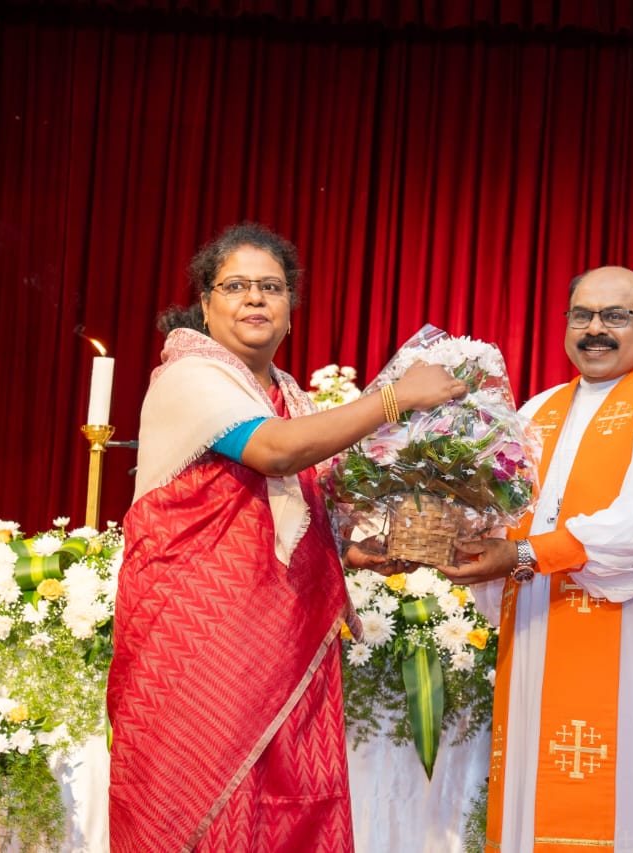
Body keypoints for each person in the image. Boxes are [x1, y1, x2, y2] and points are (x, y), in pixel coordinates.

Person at [106, 222, 466, 852]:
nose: (255, 299)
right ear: (205, 304)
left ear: (290, 313)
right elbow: (273, 455)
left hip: (286, 640)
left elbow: (302, 512)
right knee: (194, 801)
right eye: (236, 286)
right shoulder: (190, 375)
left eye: (271, 287)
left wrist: (375, 545)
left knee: (290, 807)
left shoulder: (288, 396)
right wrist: (393, 400)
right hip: (199, 641)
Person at [441, 266, 633, 852]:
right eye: (582, 315)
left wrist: (524, 554)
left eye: (615, 316)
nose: (595, 330)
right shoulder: (537, 411)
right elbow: (496, 512)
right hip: (539, 643)